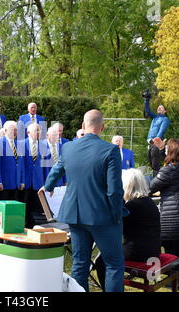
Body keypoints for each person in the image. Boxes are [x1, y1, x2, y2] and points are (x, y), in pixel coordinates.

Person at [41, 109, 125, 292]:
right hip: (102, 216)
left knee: (79, 263)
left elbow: (57, 169)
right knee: (114, 264)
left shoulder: (69, 147)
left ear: (83, 126)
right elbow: (114, 191)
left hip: (75, 214)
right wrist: (117, 214)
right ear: (102, 127)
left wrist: (48, 186)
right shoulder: (110, 150)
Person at [95, 168, 161, 290]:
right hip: (153, 249)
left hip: (139, 252)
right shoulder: (148, 201)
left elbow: (114, 228)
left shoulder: (132, 205)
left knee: (101, 262)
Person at [149, 138, 179, 289]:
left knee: (171, 251)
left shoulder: (170, 170)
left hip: (173, 218)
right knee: (178, 250)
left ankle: (172, 282)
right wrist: (160, 150)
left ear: (172, 152)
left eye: (167, 150)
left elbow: (151, 186)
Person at [0, 121, 25, 202]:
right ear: (6, 130)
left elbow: (21, 165)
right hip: (4, 184)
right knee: (1, 210)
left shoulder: (18, 144)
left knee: (12, 211)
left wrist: (22, 181)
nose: (15, 132)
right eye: (12, 130)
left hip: (15, 184)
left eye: (16, 130)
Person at [22, 123, 45, 228]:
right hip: (26, 181)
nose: (38, 132)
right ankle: (22, 226)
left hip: (38, 181)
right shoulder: (21, 144)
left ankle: (33, 227)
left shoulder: (44, 145)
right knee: (24, 205)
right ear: (28, 132)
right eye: (36, 130)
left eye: (39, 130)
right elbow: (20, 166)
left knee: (36, 207)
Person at [144, 95, 171, 176]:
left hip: (156, 143)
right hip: (150, 142)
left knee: (155, 165)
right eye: (158, 107)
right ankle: (155, 181)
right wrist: (146, 100)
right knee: (151, 164)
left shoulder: (165, 119)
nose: (159, 108)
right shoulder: (155, 117)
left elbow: (161, 130)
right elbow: (147, 111)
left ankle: (157, 182)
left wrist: (156, 140)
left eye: (161, 107)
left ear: (165, 111)